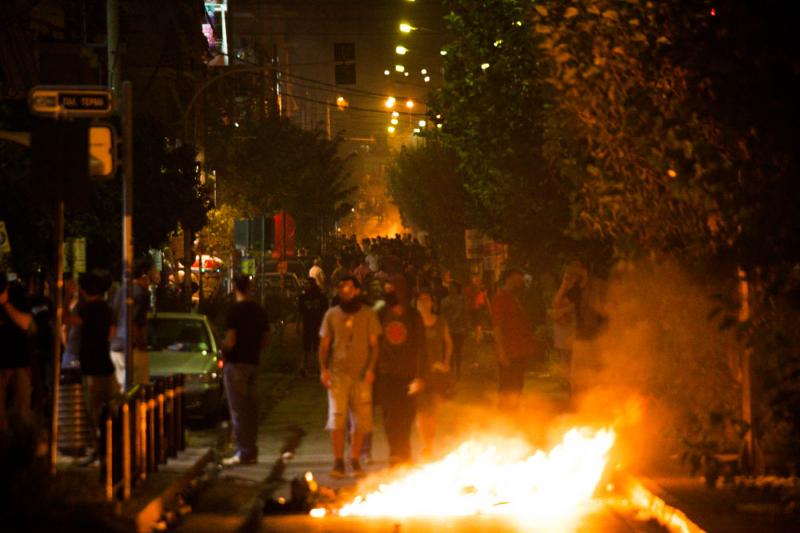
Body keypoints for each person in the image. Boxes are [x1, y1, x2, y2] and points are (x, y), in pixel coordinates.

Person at [318, 276, 380, 478]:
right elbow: (325, 344)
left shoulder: (368, 315)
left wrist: (371, 369)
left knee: (360, 421)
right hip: (337, 375)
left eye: (349, 287)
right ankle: (338, 462)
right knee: (337, 419)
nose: (345, 290)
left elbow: (374, 345)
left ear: (357, 290)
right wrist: (323, 369)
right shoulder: (332, 315)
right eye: (342, 287)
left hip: (361, 376)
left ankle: (354, 459)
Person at [376, 275, 426, 466]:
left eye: (392, 290)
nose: (389, 294)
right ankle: (395, 453)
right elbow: (375, 342)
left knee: (406, 416)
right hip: (387, 375)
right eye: (386, 290)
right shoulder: (381, 313)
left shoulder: (413, 316)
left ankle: (404, 453)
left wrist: (421, 375)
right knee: (390, 417)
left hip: (408, 374)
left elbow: (422, 347)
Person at [221, 275, 271, 466]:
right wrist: (255, 347)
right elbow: (267, 339)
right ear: (250, 288)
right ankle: (251, 450)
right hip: (254, 363)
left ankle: (244, 452)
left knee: (239, 410)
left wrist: (222, 348)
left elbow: (231, 340)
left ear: (234, 288)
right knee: (251, 409)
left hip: (236, 365)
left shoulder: (233, 311)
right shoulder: (259, 311)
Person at [71, 271, 117, 464]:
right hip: (107, 365)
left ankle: (99, 449)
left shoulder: (85, 310)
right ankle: (112, 448)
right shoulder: (107, 309)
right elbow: (112, 334)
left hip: (91, 368)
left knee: (93, 413)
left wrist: (70, 300)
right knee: (110, 411)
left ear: (83, 290)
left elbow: (68, 322)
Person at [490, 268, 537, 411]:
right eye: (518, 280)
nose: (521, 283)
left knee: (517, 386)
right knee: (507, 388)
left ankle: (513, 415)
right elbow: (497, 326)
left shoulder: (514, 298)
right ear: (509, 278)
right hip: (510, 352)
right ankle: (505, 420)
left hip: (519, 351)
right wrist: (501, 351)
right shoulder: (500, 299)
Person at [415, 289, 453, 459]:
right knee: (422, 411)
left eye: (427, 299)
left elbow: (449, 343)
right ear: (416, 304)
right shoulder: (413, 323)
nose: (424, 303)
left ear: (432, 303)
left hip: (436, 373)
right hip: (418, 373)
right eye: (420, 300)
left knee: (432, 411)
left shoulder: (440, 322)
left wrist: (446, 361)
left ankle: (429, 442)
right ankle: (426, 445)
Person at [110, 257, 156, 392]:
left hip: (116, 349)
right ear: (145, 274)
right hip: (133, 348)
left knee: (121, 390)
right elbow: (135, 322)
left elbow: (113, 322)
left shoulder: (120, 291)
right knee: (138, 390)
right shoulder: (142, 294)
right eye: (152, 272)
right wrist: (141, 344)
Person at [0, 271, 34, 430]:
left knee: (21, 411)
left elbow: (25, 323)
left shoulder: (18, 297)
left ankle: (22, 443)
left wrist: (6, 304)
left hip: (19, 362)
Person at [551, 261, 589, 395]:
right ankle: (577, 401)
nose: (572, 272)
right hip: (579, 337)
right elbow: (556, 305)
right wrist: (564, 285)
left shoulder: (594, 286)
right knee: (574, 374)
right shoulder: (575, 290)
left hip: (592, 336)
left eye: (575, 268)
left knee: (586, 373)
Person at [297, 277, 328, 376]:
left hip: (318, 323)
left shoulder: (321, 297)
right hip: (307, 323)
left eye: (309, 284)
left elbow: (326, 312)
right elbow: (300, 312)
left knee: (317, 347)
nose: (307, 286)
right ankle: (306, 367)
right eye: (306, 284)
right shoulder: (303, 297)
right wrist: (298, 325)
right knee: (306, 347)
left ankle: (318, 367)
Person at [440, 281, 468, 378]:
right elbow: (442, 314)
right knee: (449, 351)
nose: (451, 289)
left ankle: (458, 370)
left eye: (453, 287)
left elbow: (464, 313)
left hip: (459, 329)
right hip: (448, 329)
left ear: (457, 289)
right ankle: (451, 370)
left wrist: (466, 326)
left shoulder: (461, 300)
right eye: (450, 287)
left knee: (458, 351)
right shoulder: (444, 301)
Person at [464, 275, 489, 343]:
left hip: (478, 308)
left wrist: (487, 307)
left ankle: (477, 339)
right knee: (470, 324)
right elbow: (466, 299)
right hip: (470, 308)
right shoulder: (467, 289)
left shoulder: (481, 288)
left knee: (478, 324)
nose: (474, 281)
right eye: (473, 279)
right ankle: (470, 338)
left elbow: (484, 298)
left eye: (476, 280)